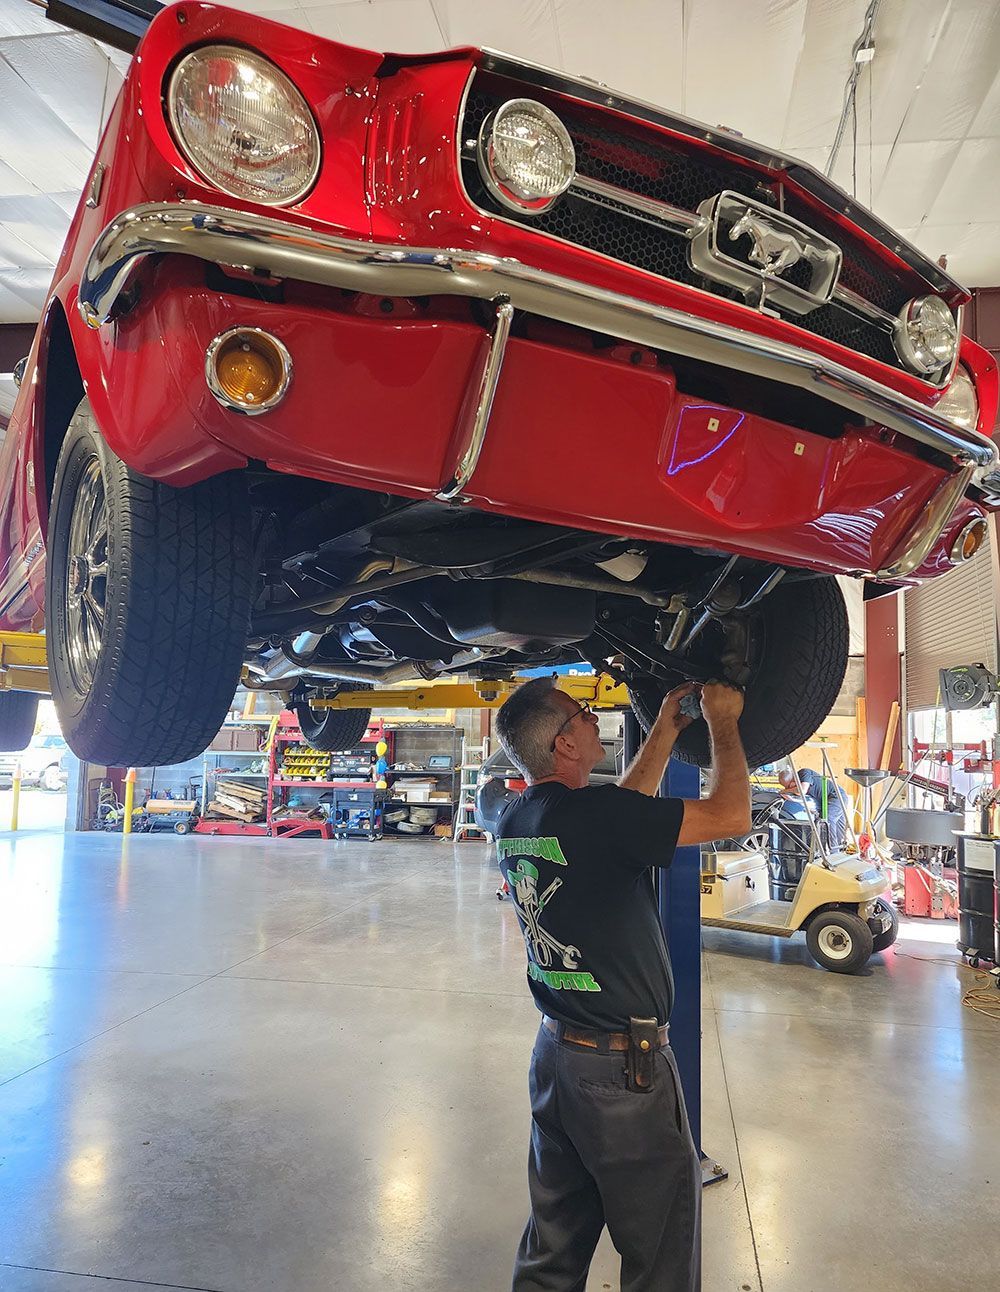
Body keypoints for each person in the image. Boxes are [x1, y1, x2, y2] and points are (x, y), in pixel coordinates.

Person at [493, 676, 751, 1292]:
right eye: (582, 716)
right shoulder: (600, 819)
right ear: (564, 745)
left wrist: (664, 728)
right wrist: (722, 722)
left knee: (552, 1247)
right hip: (623, 1077)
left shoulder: (516, 816)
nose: (593, 720)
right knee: (660, 1256)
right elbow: (731, 813)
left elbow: (623, 816)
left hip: (557, 1063)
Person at [777, 766, 848, 846]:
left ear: (794, 778)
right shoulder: (798, 783)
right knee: (837, 826)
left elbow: (802, 790)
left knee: (827, 821)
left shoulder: (804, 773)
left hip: (836, 796)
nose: (790, 788)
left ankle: (833, 853)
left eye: (789, 785)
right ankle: (838, 849)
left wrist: (784, 791)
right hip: (828, 800)